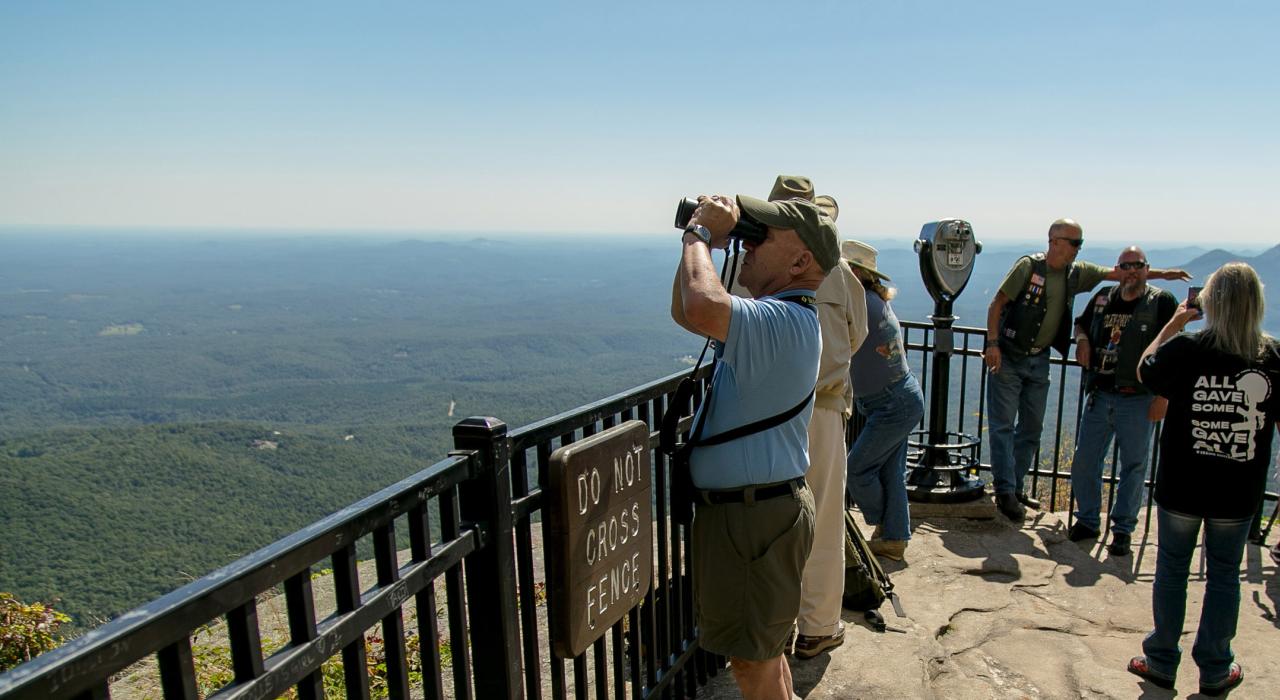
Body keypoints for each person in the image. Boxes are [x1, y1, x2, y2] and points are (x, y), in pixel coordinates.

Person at [671, 191, 840, 700]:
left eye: (761, 237)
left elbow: (702, 305)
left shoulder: (784, 321)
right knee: (764, 654)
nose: (748, 244)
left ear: (800, 262)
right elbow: (686, 310)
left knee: (751, 664)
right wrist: (700, 243)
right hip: (757, 513)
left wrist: (699, 235)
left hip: (753, 520)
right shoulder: (782, 316)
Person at [1126, 262, 1279, 697]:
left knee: (1172, 569)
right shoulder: (1273, 357)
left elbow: (1144, 369)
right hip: (1238, 489)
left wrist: (1174, 323)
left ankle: (1161, 661)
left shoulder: (1187, 349)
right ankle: (1215, 667)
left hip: (1183, 484)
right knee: (1225, 574)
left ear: (1210, 302)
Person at [982, 219, 1190, 522]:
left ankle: (1015, 486)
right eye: (1075, 243)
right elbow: (997, 303)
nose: (1079, 248)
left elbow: (1122, 273)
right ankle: (1005, 491)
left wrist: (1164, 274)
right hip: (1010, 356)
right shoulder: (1028, 267)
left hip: (1040, 359)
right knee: (1003, 426)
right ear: (1054, 241)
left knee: (1031, 428)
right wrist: (992, 343)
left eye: (1081, 243)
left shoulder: (1075, 273)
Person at [738, 176, 867, 661]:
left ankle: (768, 627)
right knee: (825, 520)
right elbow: (857, 333)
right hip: (824, 407)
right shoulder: (841, 270)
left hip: (766, 412)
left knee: (767, 520)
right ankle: (818, 628)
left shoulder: (751, 265)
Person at [1067, 246, 1178, 556]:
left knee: (1133, 465)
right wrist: (1083, 340)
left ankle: (1123, 530)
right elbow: (1080, 323)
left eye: (1137, 265)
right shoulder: (1104, 298)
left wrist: (1163, 396)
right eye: (1125, 266)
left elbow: (1174, 350)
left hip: (1138, 397)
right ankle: (1088, 520)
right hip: (1101, 393)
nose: (1131, 271)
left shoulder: (1161, 302)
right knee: (1085, 460)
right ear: (1117, 270)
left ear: (1147, 269)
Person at [843, 240, 925, 561]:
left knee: (857, 469)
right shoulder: (873, 299)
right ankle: (894, 539)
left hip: (893, 403)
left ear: (854, 273)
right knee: (891, 474)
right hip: (899, 398)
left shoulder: (859, 303)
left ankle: (884, 523)